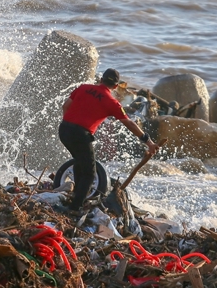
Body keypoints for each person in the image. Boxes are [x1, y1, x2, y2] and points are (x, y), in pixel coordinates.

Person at [58, 68, 159, 213]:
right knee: (90, 173)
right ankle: (75, 208)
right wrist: (148, 141)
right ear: (116, 86)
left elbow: (65, 106)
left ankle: (75, 197)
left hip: (64, 130)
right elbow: (130, 123)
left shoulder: (83, 88)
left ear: (101, 80)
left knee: (80, 162)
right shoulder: (112, 102)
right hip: (81, 134)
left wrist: (69, 124)